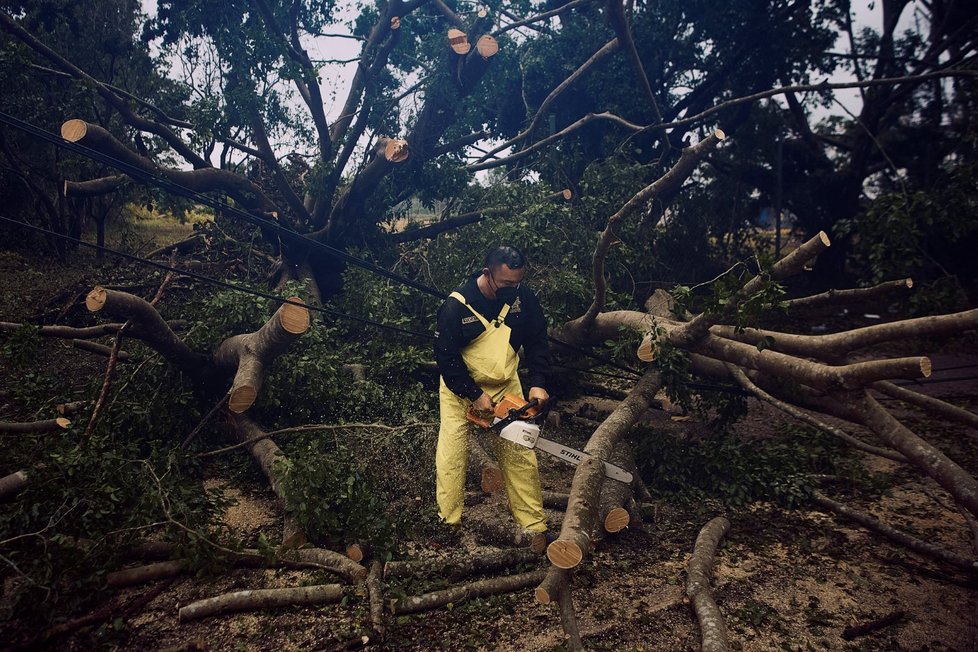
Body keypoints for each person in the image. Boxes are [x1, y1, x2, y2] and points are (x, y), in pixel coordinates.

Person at [434, 245, 551, 536]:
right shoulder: (457, 305)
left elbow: (538, 339)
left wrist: (538, 381)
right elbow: (446, 358)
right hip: (460, 389)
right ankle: (448, 524)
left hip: (506, 385)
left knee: (519, 454)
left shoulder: (523, 298)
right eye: (507, 284)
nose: (513, 289)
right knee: (452, 456)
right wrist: (473, 394)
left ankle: (534, 525)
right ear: (488, 274)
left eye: (517, 282)